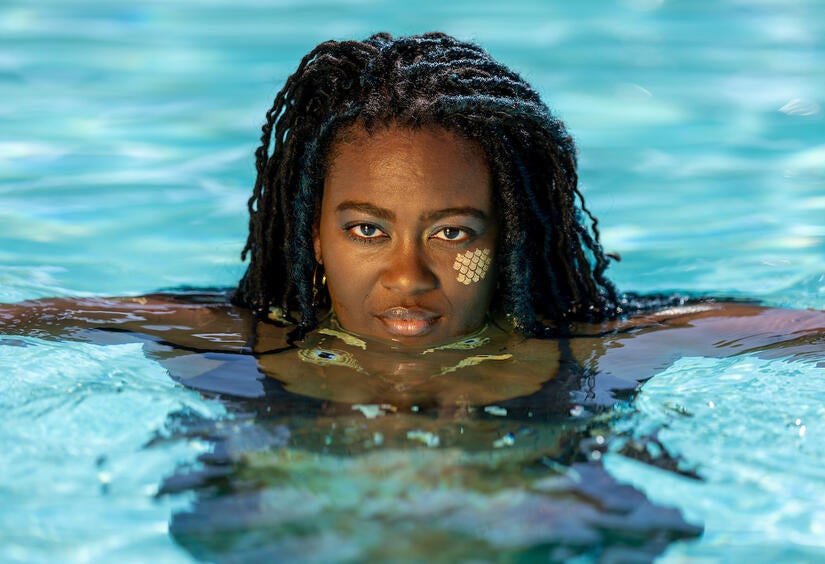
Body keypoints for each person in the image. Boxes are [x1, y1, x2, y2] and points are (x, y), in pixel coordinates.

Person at [1, 32, 823, 412]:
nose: (408, 277)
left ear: (512, 240)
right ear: (311, 236)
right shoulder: (222, 337)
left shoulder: (604, 345)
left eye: (454, 232)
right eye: (365, 229)